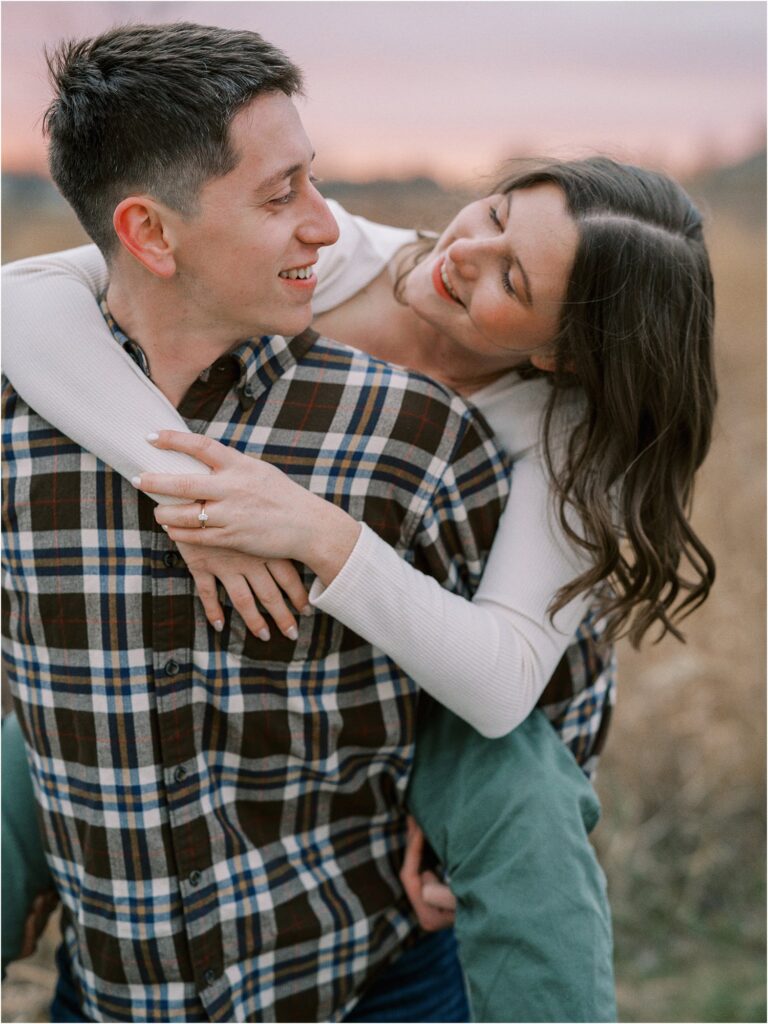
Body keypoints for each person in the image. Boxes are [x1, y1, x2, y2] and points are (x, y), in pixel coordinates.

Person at [2, 155, 716, 1024]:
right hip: (239, 654)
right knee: (37, 743)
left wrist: (317, 530)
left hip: (435, 693)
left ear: (559, 352)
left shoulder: (568, 433)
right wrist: (192, 489)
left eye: (511, 277)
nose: (466, 253)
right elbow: (23, 298)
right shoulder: (333, 255)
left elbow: (502, 681)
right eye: (492, 216)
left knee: (519, 807)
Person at [2, 21, 519, 1023]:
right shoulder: (16, 417)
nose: (327, 227)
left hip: (375, 988)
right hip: (106, 994)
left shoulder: (410, 430)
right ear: (152, 233)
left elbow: (547, 680)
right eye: (281, 196)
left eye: (312, 182)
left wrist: (481, 842)